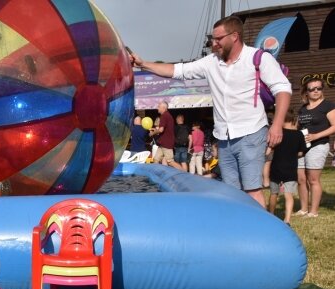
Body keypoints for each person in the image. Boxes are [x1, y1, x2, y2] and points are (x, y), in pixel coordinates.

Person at [130, 15, 292, 209]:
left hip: (251, 132)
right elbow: (176, 70)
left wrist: (276, 125)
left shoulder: (257, 58)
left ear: (234, 36)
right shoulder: (211, 62)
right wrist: (143, 64)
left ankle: (261, 235)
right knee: (230, 190)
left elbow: (283, 89)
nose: (213, 44)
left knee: (252, 190)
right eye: (212, 39)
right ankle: (236, 230)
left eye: (218, 39)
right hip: (224, 138)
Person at [295, 79, 335, 218]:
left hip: (318, 145)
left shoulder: (327, 105)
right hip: (301, 147)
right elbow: (297, 127)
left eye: (319, 88)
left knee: (313, 179)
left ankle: (314, 211)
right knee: (300, 179)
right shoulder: (303, 108)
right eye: (312, 89)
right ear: (306, 92)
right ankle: (303, 209)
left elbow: (334, 126)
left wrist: (316, 135)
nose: (316, 91)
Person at [268, 112, 307, 224]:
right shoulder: (299, 134)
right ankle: (287, 219)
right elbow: (300, 153)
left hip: (276, 168)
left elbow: (270, 148)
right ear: (293, 120)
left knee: (274, 193)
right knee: (288, 195)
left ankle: (270, 214)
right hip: (290, 169)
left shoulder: (278, 134)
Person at [148, 102, 180, 168]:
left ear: (164, 108)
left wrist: (153, 133)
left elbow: (161, 130)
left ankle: (184, 174)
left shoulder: (164, 116)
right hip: (162, 143)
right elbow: (163, 129)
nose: (157, 108)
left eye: (159, 106)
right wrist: (154, 129)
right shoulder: (167, 115)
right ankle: (157, 176)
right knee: (156, 159)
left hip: (166, 143)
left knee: (170, 161)